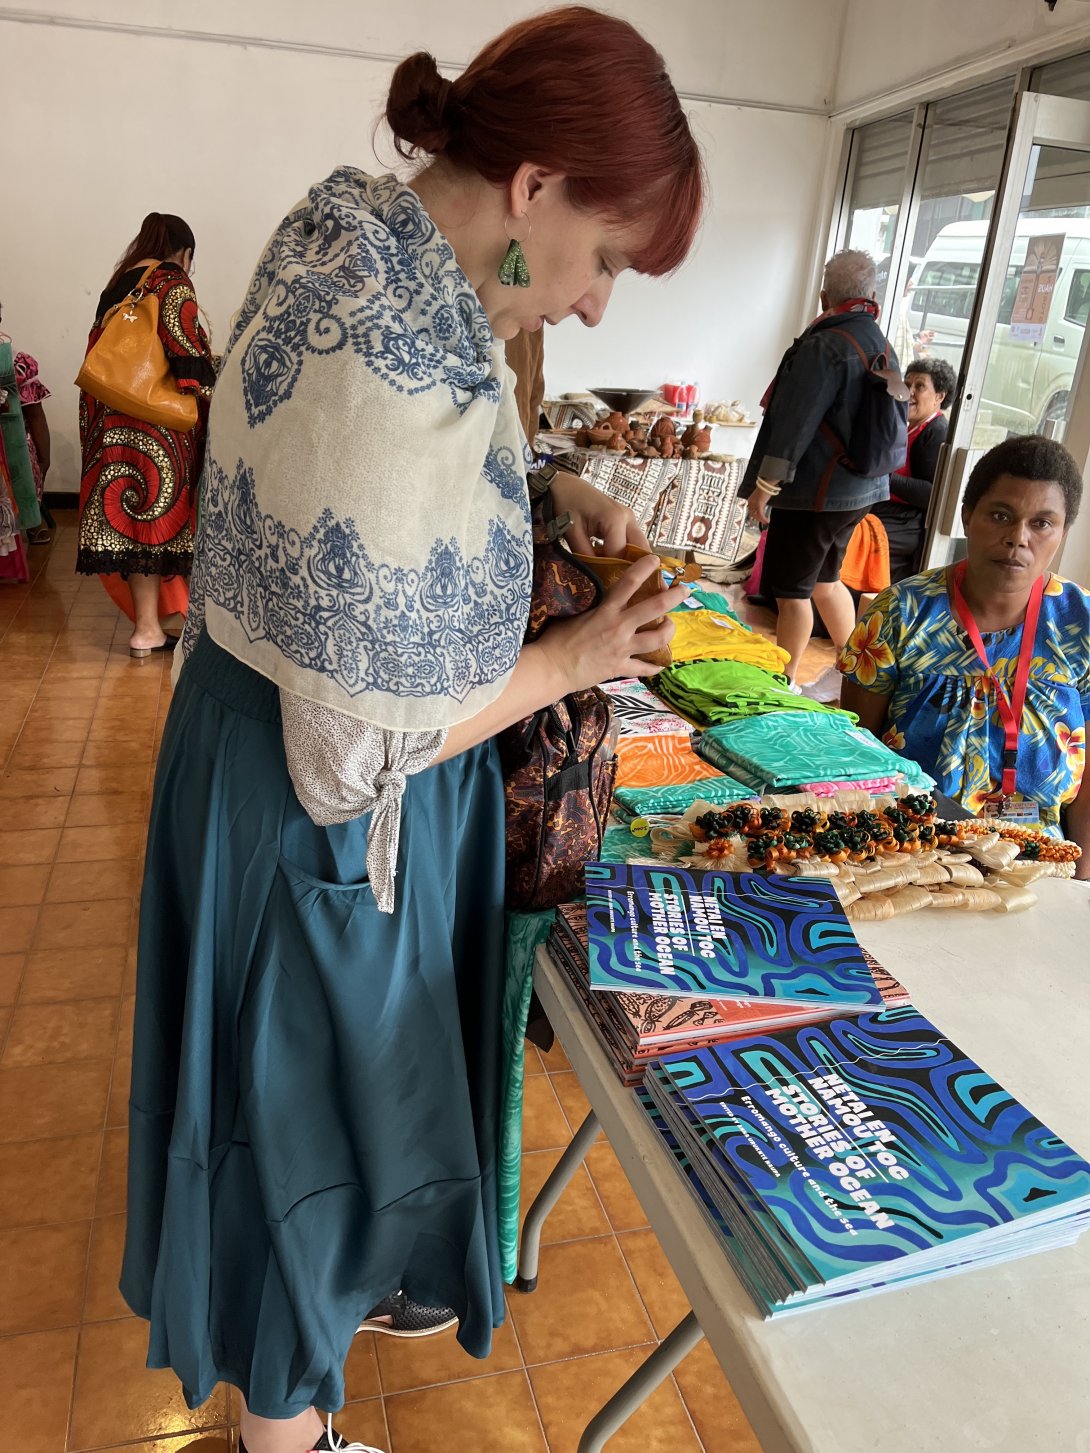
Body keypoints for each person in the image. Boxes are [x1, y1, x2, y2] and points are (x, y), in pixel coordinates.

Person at [122, 10, 703, 1453]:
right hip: (310, 802)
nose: (590, 307)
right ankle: (285, 1444)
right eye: (607, 260)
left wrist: (550, 489)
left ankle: (301, 1433)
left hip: (263, 757)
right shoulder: (393, 367)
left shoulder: (365, 236)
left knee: (299, 1137)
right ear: (534, 187)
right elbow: (349, 752)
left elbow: (413, 471)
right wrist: (573, 654)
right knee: (294, 1153)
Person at [839, 435, 1089, 873]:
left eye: (1042, 523)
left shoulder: (1080, 626)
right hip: (908, 853)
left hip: (1039, 862)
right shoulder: (901, 612)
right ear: (967, 516)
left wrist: (1083, 887)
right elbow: (861, 756)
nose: (1018, 538)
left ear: (1063, 532)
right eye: (1001, 515)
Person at [740, 249, 902, 684]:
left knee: (792, 595)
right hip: (862, 490)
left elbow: (793, 424)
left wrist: (765, 486)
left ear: (824, 295)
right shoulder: (880, 343)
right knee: (828, 584)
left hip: (815, 493)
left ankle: (781, 684)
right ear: (870, 295)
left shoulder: (825, 344)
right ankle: (853, 673)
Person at [76, 213, 216, 656]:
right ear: (186, 252)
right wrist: (214, 400)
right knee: (161, 520)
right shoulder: (171, 281)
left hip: (111, 423)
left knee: (133, 523)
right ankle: (163, 626)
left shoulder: (119, 285)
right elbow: (187, 354)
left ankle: (148, 627)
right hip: (158, 425)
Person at [872, 356, 956, 584]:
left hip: (909, 523)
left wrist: (883, 475)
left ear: (940, 396)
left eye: (919, 386)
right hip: (889, 510)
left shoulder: (936, 432)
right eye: (907, 385)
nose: (909, 392)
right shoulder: (908, 426)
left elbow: (931, 494)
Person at [0, 301, 52, 554]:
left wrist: (45, 459)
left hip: (11, 438)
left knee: (21, 452)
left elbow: (35, 414)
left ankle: (31, 517)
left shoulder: (14, 362)